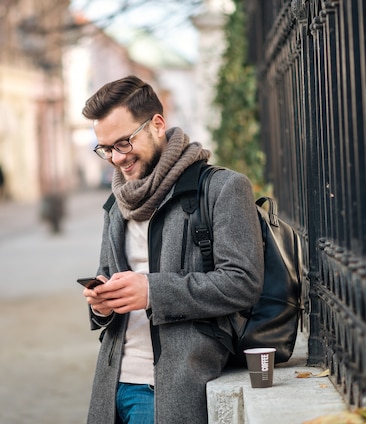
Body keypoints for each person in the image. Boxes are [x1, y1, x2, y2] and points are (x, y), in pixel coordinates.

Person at [80, 75, 265, 424]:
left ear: (158, 125)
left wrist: (152, 290)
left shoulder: (223, 188)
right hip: (111, 388)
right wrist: (103, 305)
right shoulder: (117, 203)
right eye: (105, 148)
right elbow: (111, 284)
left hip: (171, 390)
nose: (116, 159)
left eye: (123, 142)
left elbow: (243, 282)